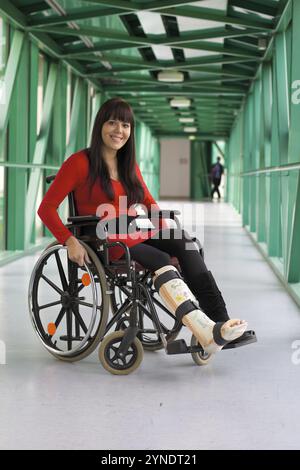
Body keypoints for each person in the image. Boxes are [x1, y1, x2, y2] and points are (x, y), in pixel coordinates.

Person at [38, 97, 248, 356]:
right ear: (99, 126)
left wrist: (165, 231)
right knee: (160, 258)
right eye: (112, 123)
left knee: (185, 242)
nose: (119, 130)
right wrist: (69, 241)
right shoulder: (79, 163)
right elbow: (46, 209)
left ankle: (220, 321)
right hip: (103, 240)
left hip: (132, 231)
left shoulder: (128, 165)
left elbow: (148, 203)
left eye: (125, 125)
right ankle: (205, 331)